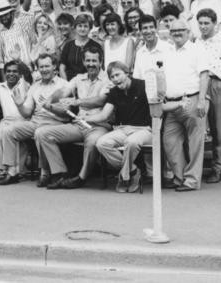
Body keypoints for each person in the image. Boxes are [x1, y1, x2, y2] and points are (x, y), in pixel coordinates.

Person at [34, 47, 110, 189]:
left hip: (99, 125)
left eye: (94, 60)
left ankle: (81, 177)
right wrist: (50, 100)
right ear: (83, 61)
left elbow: (101, 100)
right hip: (79, 124)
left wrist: (77, 102)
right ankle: (60, 173)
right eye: (88, 60)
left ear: (101, 61)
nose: (91, 64)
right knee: (42, 133)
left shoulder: (108, 79)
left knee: (92, 142)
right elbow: (63, 91)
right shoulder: (79, 78)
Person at [0, 53, 69, 187]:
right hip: (35, 122)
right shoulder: (35, 86)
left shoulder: (64, 85)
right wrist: (19, 104)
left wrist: (50, 107)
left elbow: (66, 114)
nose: (44, 70)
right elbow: (27, 113)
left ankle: (45, 172)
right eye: (41, 67)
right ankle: (12, 171)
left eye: (47, 66)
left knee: (40, 132)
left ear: (54, 66)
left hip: (54, 122)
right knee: (8, 130)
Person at [161, 21, 210, 191]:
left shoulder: (197, 49)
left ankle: (192, 181)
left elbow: (204, 76)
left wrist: (202, 100)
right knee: (170, 141)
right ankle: (180, 176)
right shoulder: (168, 52)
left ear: (188, 32)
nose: (177, 33)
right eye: (173, 31)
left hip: (192, 100)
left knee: (195, 143)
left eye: (180, 30)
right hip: (173, 103)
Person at [94, 61, 153, 193]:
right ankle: (133, 171)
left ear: (127, 73)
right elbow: (104, 115)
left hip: (144, 130)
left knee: (131, 142)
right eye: (112, 77)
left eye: (117, 74)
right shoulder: (114, 92)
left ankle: (124, 177)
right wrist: (84, 118)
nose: (115, 79)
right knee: (101, 143)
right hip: (123, 129)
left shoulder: (143, 86)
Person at [197, 7, 221, 183]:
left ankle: (217, 168)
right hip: (198, 84)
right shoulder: (196, 41)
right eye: (201, 23)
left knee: (218, 128)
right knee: (196, 125)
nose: (203, 26)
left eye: (207, 23)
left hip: (217, 83)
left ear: (214, 24)